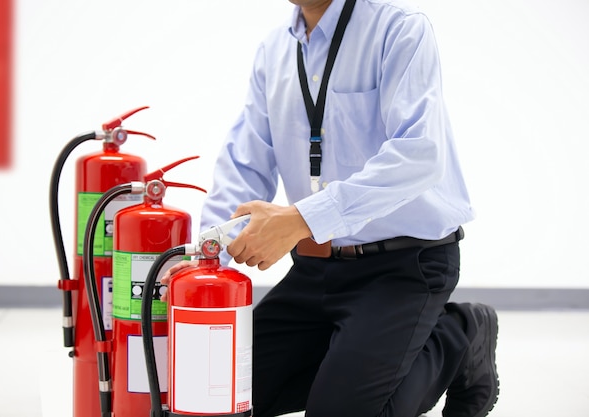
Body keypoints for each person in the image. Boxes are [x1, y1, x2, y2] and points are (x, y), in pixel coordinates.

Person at [162, 0, 499, 416]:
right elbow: (244, 165)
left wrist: (301, 219)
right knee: (222, 389)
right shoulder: (275, 51)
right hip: (314, 270)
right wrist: (211, 252)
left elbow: (420, 153)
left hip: (403, 267)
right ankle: (352, 363)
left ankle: (460, 334)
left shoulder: (399, 31)